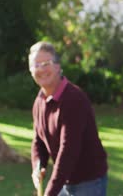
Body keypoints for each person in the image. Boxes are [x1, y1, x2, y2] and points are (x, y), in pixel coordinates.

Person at [28, 41, 108, 196]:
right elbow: (38, 140)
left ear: (58, 66)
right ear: (31, 71)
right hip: (65, 180)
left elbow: (68, 151)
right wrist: (38, 166)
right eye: (36, 65)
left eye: (46, 63)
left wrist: (49, 193)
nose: (41, 69)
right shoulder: (40, 101)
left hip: (88, 181)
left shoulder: (73, 99)